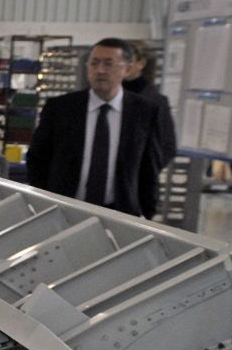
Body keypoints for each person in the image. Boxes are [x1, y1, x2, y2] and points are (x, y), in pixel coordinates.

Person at [26, 38, 171, 219]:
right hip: (63, 210)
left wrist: (146, 214)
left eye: (108, 64)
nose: (100, 70)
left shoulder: (144, 112)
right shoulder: (61, 108)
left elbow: (149, 168)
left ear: (127, 69)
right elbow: (37, 158)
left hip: (121, 213)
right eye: (94, 63)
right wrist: (44, 200)